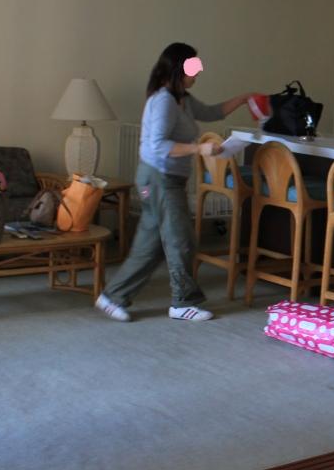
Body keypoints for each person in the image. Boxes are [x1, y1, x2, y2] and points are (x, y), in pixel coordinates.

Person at [96, 42, 256, 322]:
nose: (198, 72)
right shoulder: (163, 102)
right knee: (181, 240)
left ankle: (112, 297)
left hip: (164, 179)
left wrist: (244, 99)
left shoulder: (183, 100)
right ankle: (183, 302)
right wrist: (199, 149)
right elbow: (157, 145)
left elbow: (213, 112)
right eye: (193, 66)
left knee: (150, 246)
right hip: (160, 179)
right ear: (177, 69)